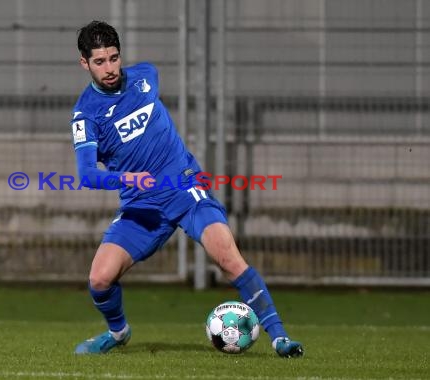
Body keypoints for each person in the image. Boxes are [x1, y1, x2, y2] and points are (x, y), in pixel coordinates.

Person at [70, 20, 304, 358]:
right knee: (99, 280)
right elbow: (87, 175)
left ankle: (281, 338)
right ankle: (118, 332)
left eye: (114, 58)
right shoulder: (86, 115)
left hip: (184, 185)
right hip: (141, 202)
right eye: (99, 61)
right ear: (84, 63)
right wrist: (128, 179)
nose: (109, 68)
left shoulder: (146, 76)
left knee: (227, 257)